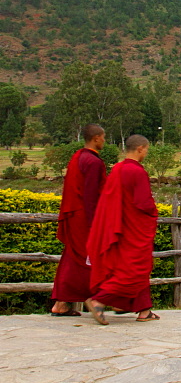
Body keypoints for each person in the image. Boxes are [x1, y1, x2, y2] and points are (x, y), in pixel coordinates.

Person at [85, 134, 159, 324]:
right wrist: (154, 212)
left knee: (132, 266)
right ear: (141, 148)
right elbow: (144, 203)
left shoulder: (117, 169)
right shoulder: (137, 171)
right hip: (134, 228)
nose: (146, 154)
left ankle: (144, 310)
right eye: (147, 150)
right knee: (136, 268)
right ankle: (99, 300)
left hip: (118, 226)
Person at [50, 123, 107, 316]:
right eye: (103, 137)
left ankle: (61, 303)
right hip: (84, 218)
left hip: (74, 215)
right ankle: (97, 298)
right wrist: (95, 225)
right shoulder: (93, 162)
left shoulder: (78, 157)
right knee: (89, 259)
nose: (104, 141)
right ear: (97, 138)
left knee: (72, 259)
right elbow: (91, 196)